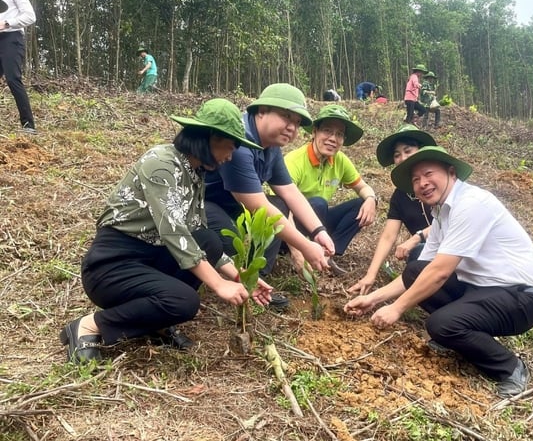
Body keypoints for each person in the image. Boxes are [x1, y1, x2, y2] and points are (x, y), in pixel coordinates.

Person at [59, 99, 273, 363]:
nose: (229, 156)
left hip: (150, 258)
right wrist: (218, 284)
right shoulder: (161, 163)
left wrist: (240, 277)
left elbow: (196, 234)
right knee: (183, 302)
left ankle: (155, 323)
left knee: (208, 240)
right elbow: (174, 232)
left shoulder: (194, 173)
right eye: (228, 147)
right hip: (112, 266)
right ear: (208, 139)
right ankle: (90, 326)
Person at [344, 146, 533, 398]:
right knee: (415, 270)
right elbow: (425, 271)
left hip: (520, 298)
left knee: (441, 324)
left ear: (451, 173)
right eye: (416, 179)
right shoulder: (441, 213)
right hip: (482, 290)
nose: (422, 183)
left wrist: (396, 308)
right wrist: (373, 299)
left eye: (429, 174)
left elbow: (440, 272)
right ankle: (457, 333)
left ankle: (509, 368)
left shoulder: (471, 204)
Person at [205, 83, 334, 308]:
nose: (292, 127)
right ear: (262, 110)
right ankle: (242, 283)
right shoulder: (240, 143)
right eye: (286, 117)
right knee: (232, 237)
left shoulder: (271, 147)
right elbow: (259, 206)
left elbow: (290, 191)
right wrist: (304, 245)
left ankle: (258, 278)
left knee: (281, 204)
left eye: (296, 122)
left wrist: (319, 231)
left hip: (234, 208)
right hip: (204, 207)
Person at [284, 104, 377, 273]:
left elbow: (363, 186)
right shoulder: (294, 161)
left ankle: (328, 254)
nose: (333, 139)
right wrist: (297, 251)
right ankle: (299, 253)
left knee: (359, 204)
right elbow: (280, 210)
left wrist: (371, 199)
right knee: (318, 204)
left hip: (317, 227)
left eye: (339, 134)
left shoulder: (340, 160)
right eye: (327, 131)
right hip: (288, 230)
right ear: (314, 132)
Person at [349, 124, 436, 295]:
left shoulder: (436, 182)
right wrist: (370, 275)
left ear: (421, 151)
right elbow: (388, 236)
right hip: (428, 254)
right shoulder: (400, 195)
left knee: (418, 251)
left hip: (456, 248)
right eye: (397, 155)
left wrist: (416, 238)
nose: (403, 158)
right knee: (418, 256)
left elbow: (451, 220)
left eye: (408, 151)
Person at [0, 0, 36, 133]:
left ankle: (28, 125)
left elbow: (30, 16)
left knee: (13, 79)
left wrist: (7, 23)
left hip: (11, 38)